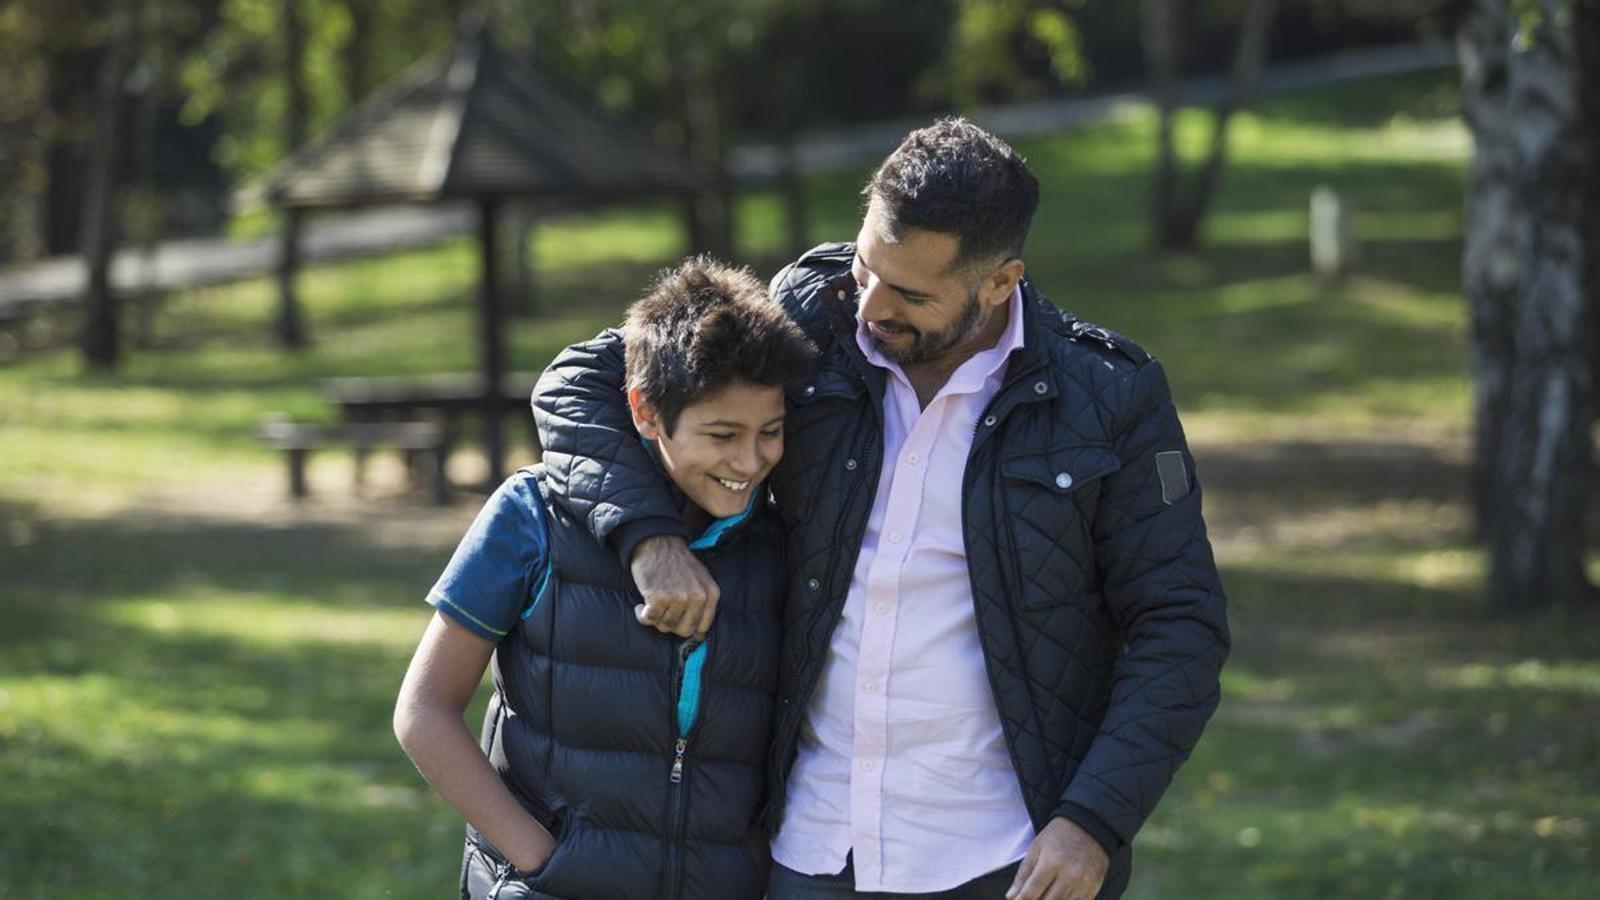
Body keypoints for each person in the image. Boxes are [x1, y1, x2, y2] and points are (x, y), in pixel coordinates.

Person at [530, 118, 1230, 900]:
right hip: (807, 845)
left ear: (1001, 282)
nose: (869, 307)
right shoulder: (811, 307)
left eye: (911, 294)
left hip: (1005, 858)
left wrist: (1094, 820)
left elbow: (1180, 626)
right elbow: (578, 381)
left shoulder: (1109, 398)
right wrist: (648, 540)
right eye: (867, 268)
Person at [394, 257, 818, 900]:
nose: (750, 460)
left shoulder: (782, 545)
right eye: (722, 434)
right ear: (645, 412)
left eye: (771, 432)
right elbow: (423, 712)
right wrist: (541, 860)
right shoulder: (532, 514)